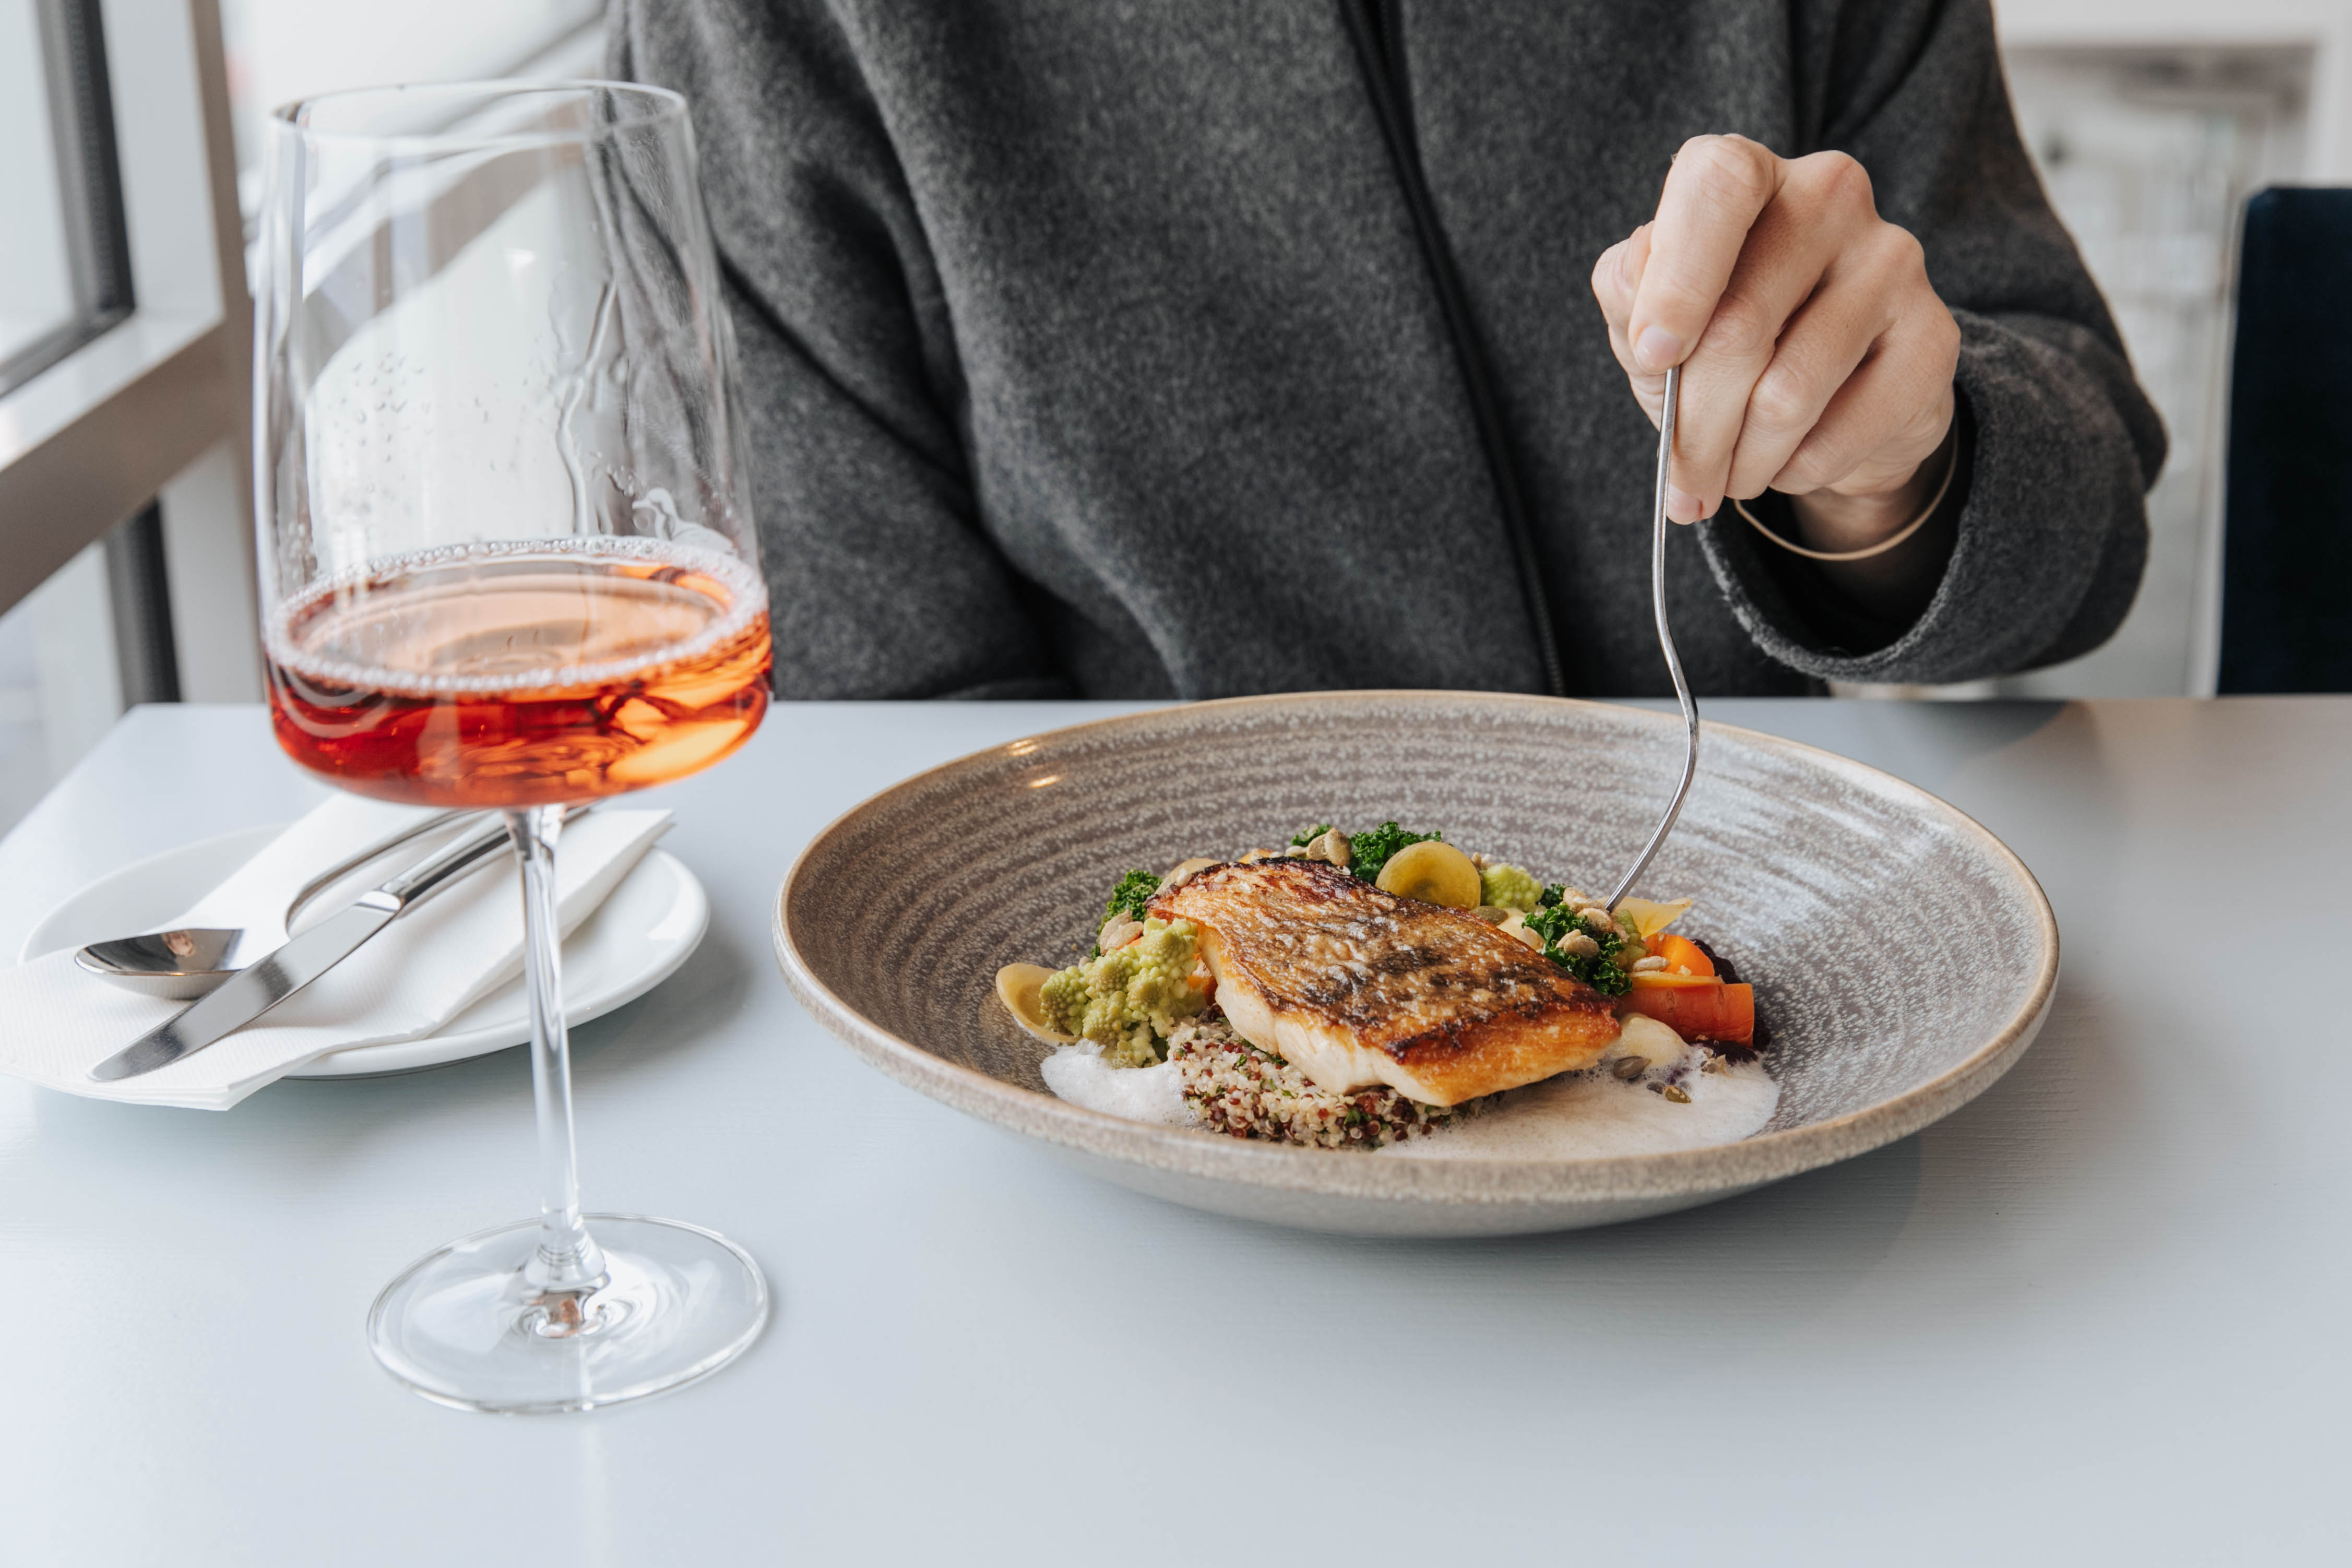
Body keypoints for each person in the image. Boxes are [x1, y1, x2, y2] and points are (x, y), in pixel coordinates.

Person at [611, 0, 2163, 699]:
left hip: (1753, 1022)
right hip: (1131, 1116)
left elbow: (2077, 547)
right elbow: (864, 729)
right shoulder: (756, 30)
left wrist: (1886, 481)